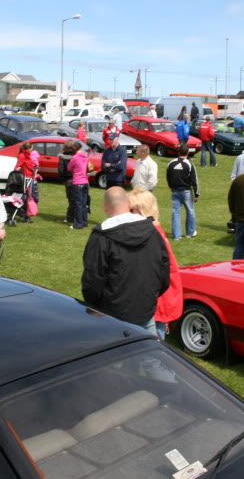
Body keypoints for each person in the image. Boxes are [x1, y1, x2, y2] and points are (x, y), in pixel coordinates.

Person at [81, 187, 170, 333]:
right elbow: (164, 272)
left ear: (105, 208)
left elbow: (92, 280)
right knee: (147, 354)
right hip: (136, 311)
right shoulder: (151, 231)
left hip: (120, 316)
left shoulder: (102, 237)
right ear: (128, 204)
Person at [127, 187, 181, 340]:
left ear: (142, 209)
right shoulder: (154, 229)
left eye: (132, 210)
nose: (128, 214)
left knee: (152, 342)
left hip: (157, 298)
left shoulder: (149, 233)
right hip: (159, 295)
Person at [167, 145, 199, 239]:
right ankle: (190, 233)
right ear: (187, 153)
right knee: (190, 211)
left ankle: (176, 236)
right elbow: (194, 180)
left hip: (175, 191)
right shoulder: (189, 164)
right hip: (186, 192)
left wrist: (171, 187)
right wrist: (196, 193)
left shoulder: (171, 163)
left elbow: (168, 178)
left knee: (175, 212)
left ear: (178, 152)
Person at [68, 140, 90, 229]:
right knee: (84, 203)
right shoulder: (86, 156)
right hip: (85, 182)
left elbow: (69, 168)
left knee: (78, 204)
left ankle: (78, 224)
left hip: (77, 182)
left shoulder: (75, 157)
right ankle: (84, 222)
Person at [58, 140, 77, 223]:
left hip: (68, 179)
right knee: (76, 199)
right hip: (77, 178)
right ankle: (75, 216)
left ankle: (70, 217)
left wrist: (63, 179)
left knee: (71, 199)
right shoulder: (77, 156)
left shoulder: (62, 158)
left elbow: (61, 170)